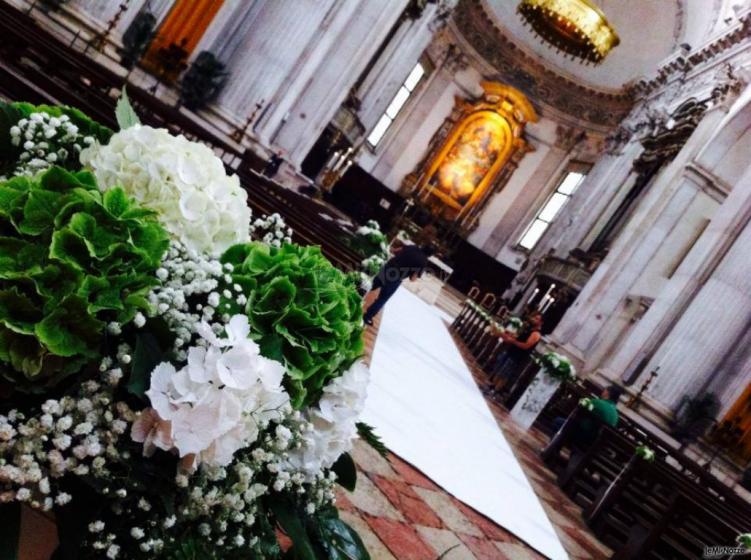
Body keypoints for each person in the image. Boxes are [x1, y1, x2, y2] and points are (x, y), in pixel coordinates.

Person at [362, 244, 434, 326]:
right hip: (396, 278)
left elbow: (395, 251)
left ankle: (353, 294)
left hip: (388, 268)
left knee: (369, 286)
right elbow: (412, 279)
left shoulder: (412, 247)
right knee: (382, 299)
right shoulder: (423, 262)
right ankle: (367, 317)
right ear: (430, 255)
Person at [483, 312, 543, 399]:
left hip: (517, 356)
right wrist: (505, 335)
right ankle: (491, 386)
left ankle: (495, 391)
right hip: (511, 351)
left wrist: (513, 341)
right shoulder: (528, 329)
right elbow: (517, 337)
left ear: (541, 323)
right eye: (534, 317)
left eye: (537, 319)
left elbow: (526, 346)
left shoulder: (536, 334)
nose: (534, 319)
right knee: (499, 369)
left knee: (504, 374)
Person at [552, 384, 623, 447]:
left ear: (607, 393)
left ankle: (554, 448)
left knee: (558, 421)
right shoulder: (616, 415)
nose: (603, 391)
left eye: (605, 390)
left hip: (582, 436)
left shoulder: (597, 403)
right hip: (595, 445)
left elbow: (578, 412)